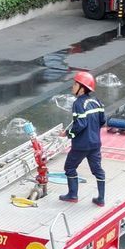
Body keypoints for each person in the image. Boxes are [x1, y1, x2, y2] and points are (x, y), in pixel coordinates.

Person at [59, 70, 107, 206]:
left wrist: (68, 134)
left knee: (69, 167)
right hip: (95, 144)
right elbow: (103, 121)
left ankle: (72, 195)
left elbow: (80, 124)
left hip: (81, 145)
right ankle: (101, 199)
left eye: (75, 84)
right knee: (98, 171)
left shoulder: (78, 104)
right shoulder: (97, 102)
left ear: (82, 88)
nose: (72, 87)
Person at [20, 120, 49, 199]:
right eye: (31, 137)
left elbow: (39, 150)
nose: (32, 138)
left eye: (32, 137)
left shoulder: (38, 146)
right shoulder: (37, 144)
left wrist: (38, 153)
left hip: (42, 165)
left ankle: (42, 193)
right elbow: (38, 148)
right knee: (42, 176)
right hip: (42, 165)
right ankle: (44, 192)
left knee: (42, 177)